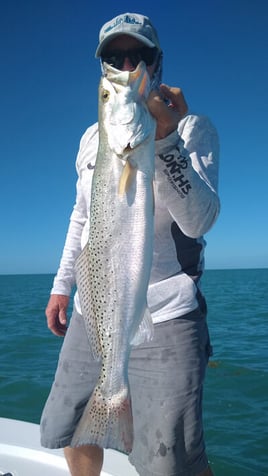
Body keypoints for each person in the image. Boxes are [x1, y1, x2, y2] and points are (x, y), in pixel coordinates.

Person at [40, 12, 220, 476]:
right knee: (67, 427)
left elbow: (200, 223)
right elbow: (82, 218)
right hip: (93, 309)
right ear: (104, 72)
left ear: (156, 63)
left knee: (170, 462)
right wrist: (62, 287)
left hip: (166, 311)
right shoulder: (89, 140)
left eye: (138, 55)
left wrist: (165, 142)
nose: (127, 65)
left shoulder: (192, 128)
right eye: (115, 59)